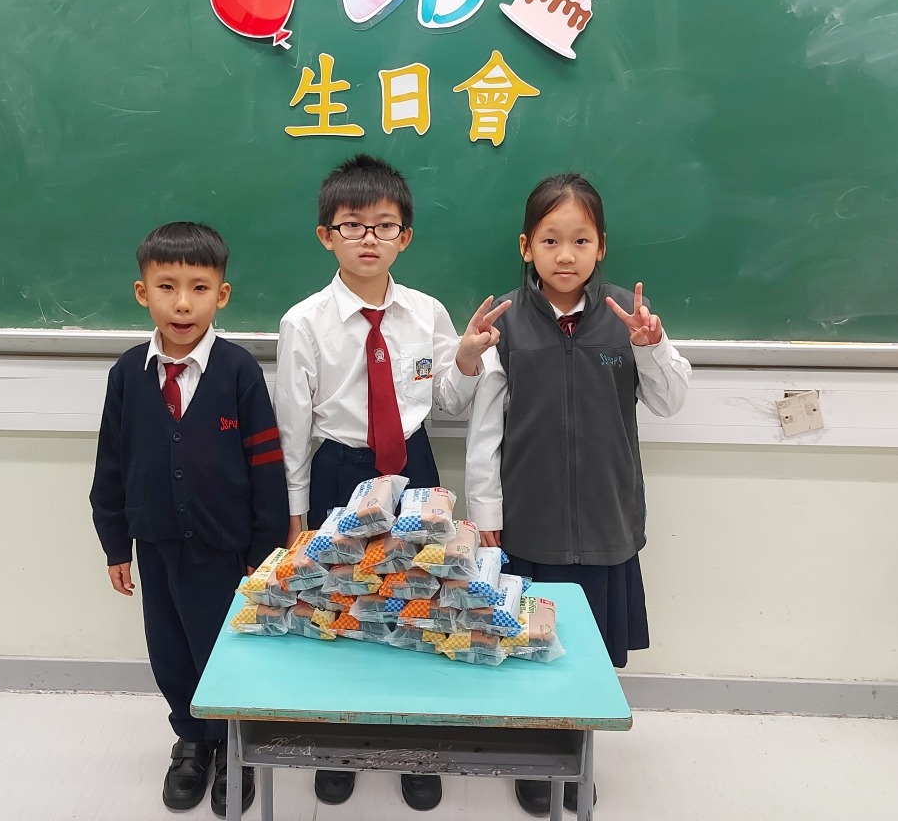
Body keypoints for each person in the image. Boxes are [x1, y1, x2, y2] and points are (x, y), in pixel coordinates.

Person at [275, 153, 507, 812]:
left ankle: (415, 746)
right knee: (337, 605)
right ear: (326, 235)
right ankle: (339, 743)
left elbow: (449, 401)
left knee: (422, 600)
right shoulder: (303, 322)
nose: (369, 238)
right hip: (339, 471)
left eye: (384, 226)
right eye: (352, 225)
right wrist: (294, 514)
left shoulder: (426, 313)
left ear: (405, 236)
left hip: (415, 469)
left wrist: (466, 359)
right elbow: (292, 427)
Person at [464, 173, 691, 817]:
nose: (566, 255)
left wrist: (653, 347)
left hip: (604, 518)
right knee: (527, 645)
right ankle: (536, 755)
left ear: (601, 247)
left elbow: (671, 402)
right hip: (528, 522)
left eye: (581, 240)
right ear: (526, 247)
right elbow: (485, 430)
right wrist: (486, 513)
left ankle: (577, 752)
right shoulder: (507, 324)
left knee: (587, 651)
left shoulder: (628, 318)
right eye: (550, 240)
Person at [89, 221, 288, 818]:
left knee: (223, 650)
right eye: (166, 287)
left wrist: (263, 551)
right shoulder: (127, 374)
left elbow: (266, 467)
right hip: (155, 545)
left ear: (221, 295)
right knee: (170, 652)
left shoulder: (238, 371)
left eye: (199, 288)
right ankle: (192, 741)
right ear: (141, 292)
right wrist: (115, 543)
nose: (182, 304)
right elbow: (111, 463)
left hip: (226, 551)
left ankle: (234, 746)